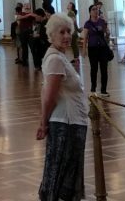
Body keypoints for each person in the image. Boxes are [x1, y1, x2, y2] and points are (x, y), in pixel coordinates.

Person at [36, 12, 89, 201]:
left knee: (67, 175)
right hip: (66, 124)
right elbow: (48, 96)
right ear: (51, 35)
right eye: (62, 32)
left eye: (69, 31)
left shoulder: (59, 56)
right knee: (60, 176)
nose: (67, 36)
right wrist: (43, 124)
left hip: (72, 122)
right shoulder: (56, 59)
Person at [81, 3, 111, 96]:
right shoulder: (87, 23)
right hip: (92, 48)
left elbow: (107, 34)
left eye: (97, 9)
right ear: (90, 12)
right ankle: (93, 89)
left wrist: (108, 32)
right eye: (93, 9)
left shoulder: (102, 21)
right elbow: (85, 37)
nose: (96, 11)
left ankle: (103, 90)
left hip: (102, 48)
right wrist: (84, 49)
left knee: (104, 69)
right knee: (94, 69)